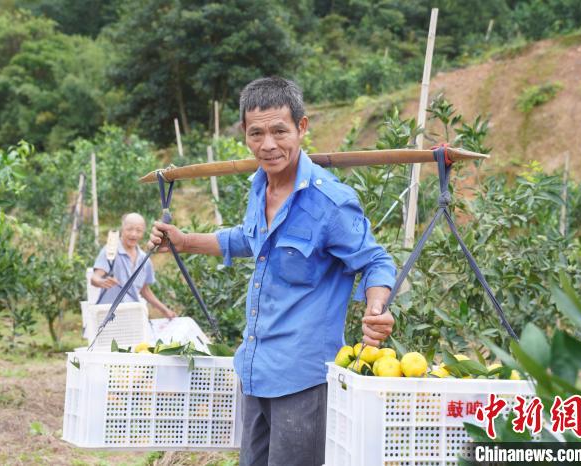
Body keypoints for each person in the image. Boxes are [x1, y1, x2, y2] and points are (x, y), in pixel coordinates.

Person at [148, 77, 396, 466]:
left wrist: (377, 308)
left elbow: (375, 261)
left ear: (301, 127)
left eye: (279, 131)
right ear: (245, 135)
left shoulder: (330, 202)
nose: (268, 145)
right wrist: (184, 240)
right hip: (255, 369)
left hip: (302, 380)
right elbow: (249, 239)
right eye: (256, 133)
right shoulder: (259, 186)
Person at [92, 212, 176, 319]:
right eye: (129, 229)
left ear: (143, 232)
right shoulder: (110, 251)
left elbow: (145, 290)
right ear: (122, 229)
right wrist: (100, 282)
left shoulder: (144, 260)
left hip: (132, 315)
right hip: (108, 316)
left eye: (138, 230)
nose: (133, 234)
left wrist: (165, 311)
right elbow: (95, 278)